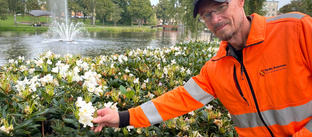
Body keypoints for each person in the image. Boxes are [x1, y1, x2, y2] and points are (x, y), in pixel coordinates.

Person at [92, 0, 312, 136]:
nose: (215, 18)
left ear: (241, 1)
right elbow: (177, 100)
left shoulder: (296, 29)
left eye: (221, 6)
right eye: (207, 15)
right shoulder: (215, 68)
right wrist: (121, 118)